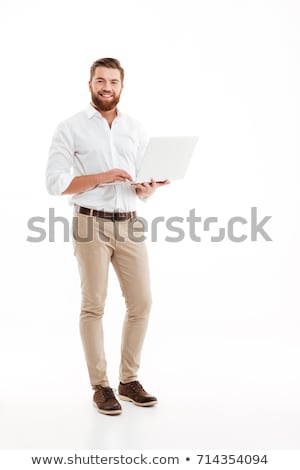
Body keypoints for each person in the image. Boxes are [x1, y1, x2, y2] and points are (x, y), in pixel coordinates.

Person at [46, 58, 169, 415]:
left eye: (113, 82)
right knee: (94, 305)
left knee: (141, 303)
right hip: (90, 224)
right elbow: (55, 184)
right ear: (90, 84)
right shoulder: (70, 128)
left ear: (121, 87)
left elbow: (139, 187)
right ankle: (100, 386)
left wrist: (148, 188)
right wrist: (101, 176)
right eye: (100, 80)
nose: (107, 87)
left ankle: (128, 381)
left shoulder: (135, 128)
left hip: (129, 222)